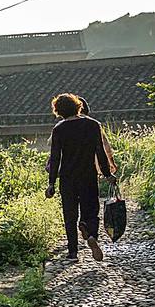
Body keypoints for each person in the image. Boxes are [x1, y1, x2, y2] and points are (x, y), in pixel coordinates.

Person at [45, 92, 116, 261]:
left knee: (69, 214)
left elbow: (55, 158)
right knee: (91, 209)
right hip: (88, 176)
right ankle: (90, 232)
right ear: (78, 106)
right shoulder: (93, 125)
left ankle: (72, 253)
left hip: (68, 178)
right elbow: (100, 152)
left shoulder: (59, 129)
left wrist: (51, 183)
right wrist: (107, 174)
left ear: (58, 111)